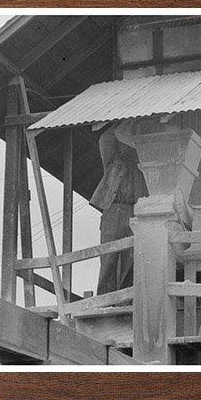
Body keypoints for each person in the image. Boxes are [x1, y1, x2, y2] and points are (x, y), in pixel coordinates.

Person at [90, 122, 149, 293]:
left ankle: (124, 299)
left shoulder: (141, 164)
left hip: (133, 211)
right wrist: (123, 120)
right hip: (114, 209)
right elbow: (106, 138)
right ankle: (105, 299)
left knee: (130, 259)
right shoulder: (113, 160)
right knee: (108, 258)